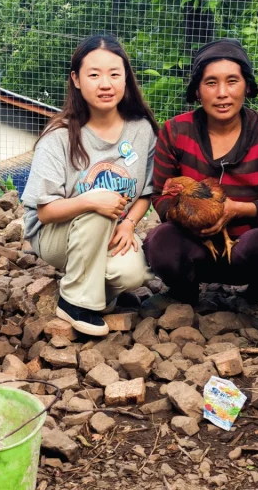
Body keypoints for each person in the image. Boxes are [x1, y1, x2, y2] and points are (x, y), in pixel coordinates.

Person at [144, 38, 258, 334]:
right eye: (210, 83)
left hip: (244, 250)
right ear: (197, 89)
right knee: (160, 241)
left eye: (232, 81)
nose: (222, 93)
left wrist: (237, 210)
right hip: (193, 247)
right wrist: (190, 217)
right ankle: (183, 292)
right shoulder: (175, 131)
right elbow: (160, 197)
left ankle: (255, 298)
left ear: (247, 85)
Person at [21, 34, 158, 336]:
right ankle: (75, 302)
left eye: (114, 74)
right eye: (94, 75)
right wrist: (93, 202)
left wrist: (128, 225)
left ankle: (93, 287)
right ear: (77, 79)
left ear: (126, 78)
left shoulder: (141, 129)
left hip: (110, 229)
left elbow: (146, 192)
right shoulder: (58, 136)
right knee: (99, 201)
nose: (105, 84)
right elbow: (44, 213)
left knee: (132, 274)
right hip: (56, 236)